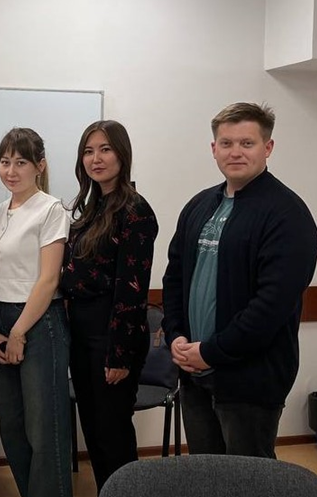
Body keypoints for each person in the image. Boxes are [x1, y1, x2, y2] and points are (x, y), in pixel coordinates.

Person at [162, 102, 317, 458]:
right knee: (207, 475)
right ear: (213, 148)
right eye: (226, 143)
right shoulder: (199, 206)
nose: (235, 152)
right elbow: (174, 279)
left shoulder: (288, 215)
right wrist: (176, 336)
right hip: (194, 372)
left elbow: (270, 307)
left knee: (249, 479)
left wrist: (211, 352)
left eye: (247, 143)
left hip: (250, 382)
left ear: (268, 147)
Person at [60, 120, 158, 494]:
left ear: (122, 154)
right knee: (94, 431)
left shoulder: (135, 210)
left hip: (112, 333)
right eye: (88, 151)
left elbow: (131, 290)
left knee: (113, 433)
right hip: (82, 331)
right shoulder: (91, 208)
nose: (96, 159)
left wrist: (119, 354)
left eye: (105, 149)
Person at [0, 128, 71, 497]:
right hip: (0, 320)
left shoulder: (51, 209)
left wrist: (19, 332)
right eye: (5, 162)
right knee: (13, 428)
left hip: (38, 322)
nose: (11, 171)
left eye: (21, 162)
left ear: (40, 166)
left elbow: (48, 280)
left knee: (44, 428)